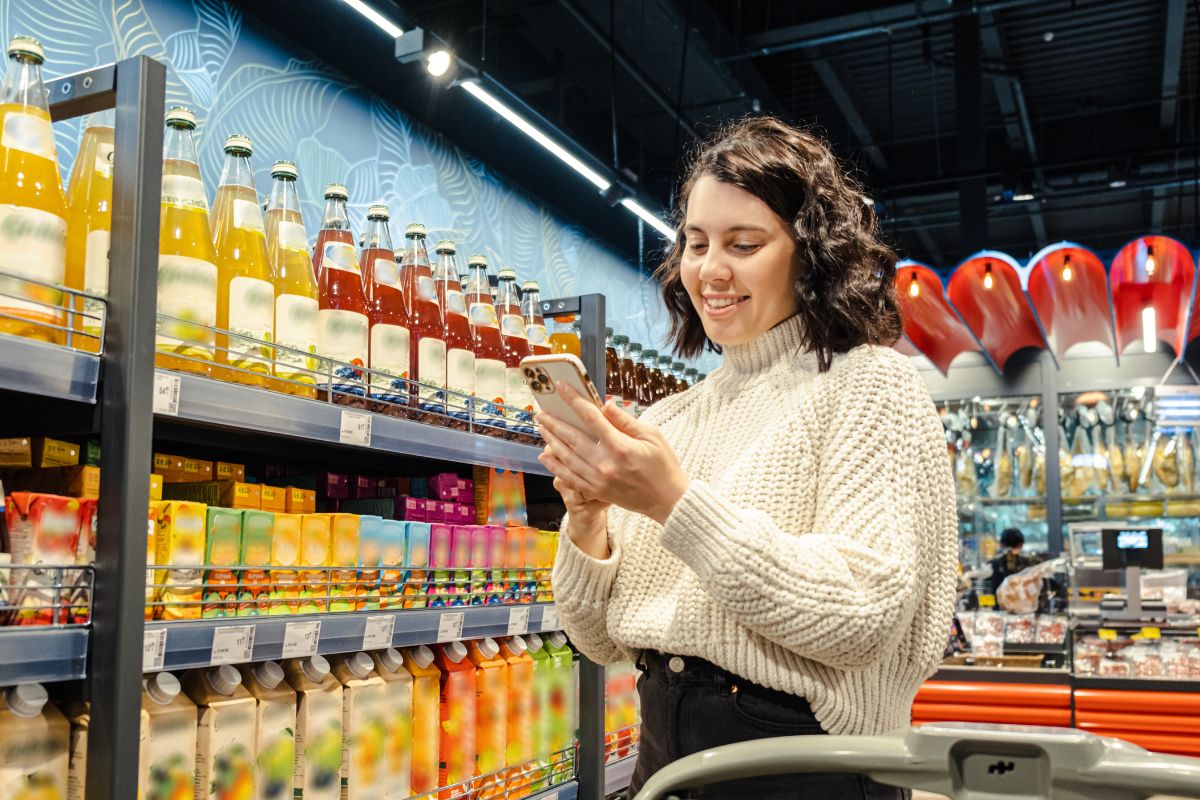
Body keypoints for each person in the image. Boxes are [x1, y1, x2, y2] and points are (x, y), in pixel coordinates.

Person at [538, 117, 958, 800]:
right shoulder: (671, 415)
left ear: (811, 254)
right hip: (663, 757)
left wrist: (674, 503)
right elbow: (597, 640)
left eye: (745, 243)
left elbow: (862, 616)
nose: (711, 270)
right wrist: (586, 518)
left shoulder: (870, 385)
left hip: (806, 767)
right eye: (697, 244)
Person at [988, 527, 1032, 595]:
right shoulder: (1031, 564)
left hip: (999, 604)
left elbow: (984, 593)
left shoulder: (993, 565)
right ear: (1021, 544)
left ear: (1001, 545)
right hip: (1026, 605)